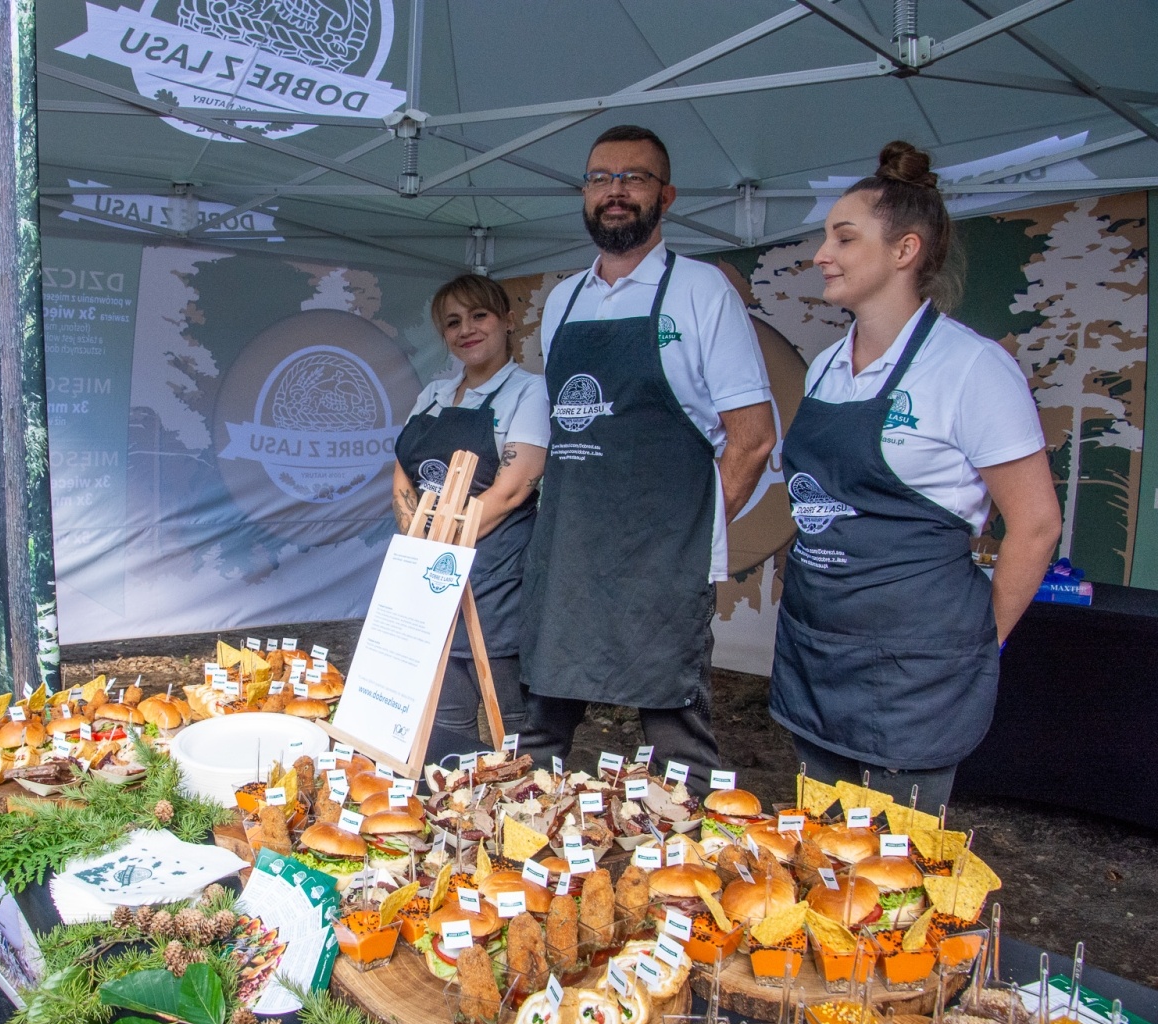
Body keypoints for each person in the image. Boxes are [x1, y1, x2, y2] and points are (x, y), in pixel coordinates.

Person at [768, 141, 1061, 813]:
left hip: (912, 679)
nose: (821, 252)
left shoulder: (971, 369)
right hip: (818, 655)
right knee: (818, 857)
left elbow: (1037, 525)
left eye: (844, 237)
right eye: (824, 236)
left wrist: (976, 644)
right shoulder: (825, 367)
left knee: (894, 884)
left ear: (904, 251)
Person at [520, 125, 777, 787]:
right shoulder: (561, 301)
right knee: (541, 725)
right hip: (572, 544)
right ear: (584, 193)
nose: (615, 192)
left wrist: (692, 537)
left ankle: (678, 878)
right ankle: (515, 850)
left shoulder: (702, 292)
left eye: (633, 178)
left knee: (676, 737)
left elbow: (752, 437)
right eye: (601, 178)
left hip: (662, 552)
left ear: (665, 195)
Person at [392, 275, 549, 765]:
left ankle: (529, 808)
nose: (466, 330)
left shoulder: (530, 393)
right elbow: (402, 474)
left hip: (499, 577)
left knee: (514, 723)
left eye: (478, 315)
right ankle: (455, 816)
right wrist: (416, 541)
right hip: (432, 570)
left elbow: (510, 490)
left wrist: (436, 542)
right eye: (452, 323)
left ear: (506, 320)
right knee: (447, 719)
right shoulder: (435, 395)